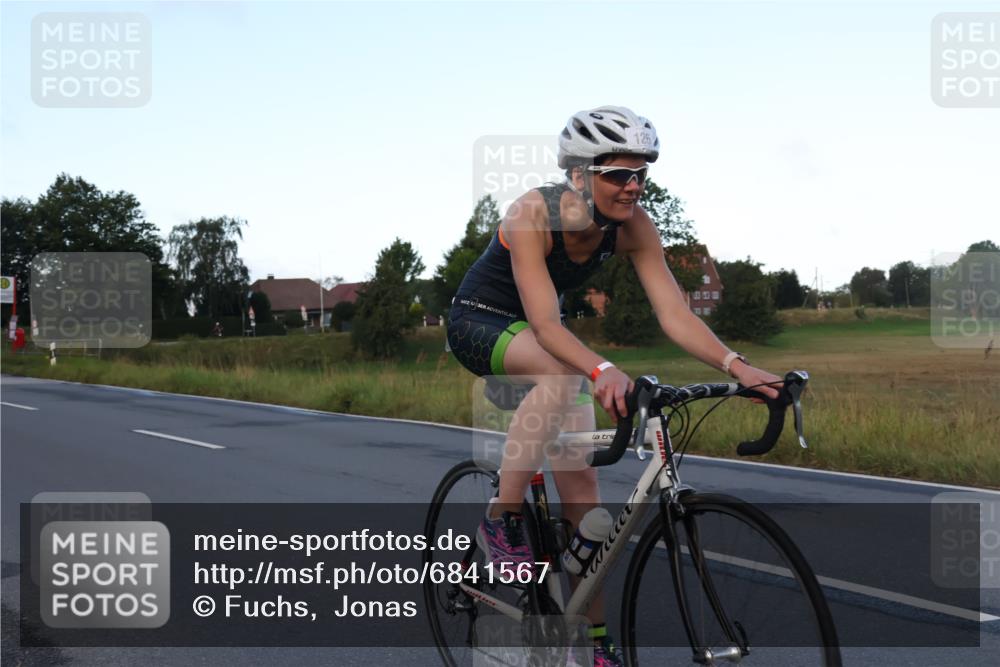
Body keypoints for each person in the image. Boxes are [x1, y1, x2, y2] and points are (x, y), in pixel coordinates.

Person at [447, 106, 781, 666]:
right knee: (563, 375)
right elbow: (546, 326)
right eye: (619, 174)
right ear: (579, 175)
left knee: (587, 508)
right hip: (480, 321)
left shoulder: (634, 225)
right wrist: (602, 370)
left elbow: (674, 314)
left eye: (640, 173)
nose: (633, 186)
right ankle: (500, 520)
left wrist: (737, 366)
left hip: (544, 335)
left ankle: (593, 646)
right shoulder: (533, 213)